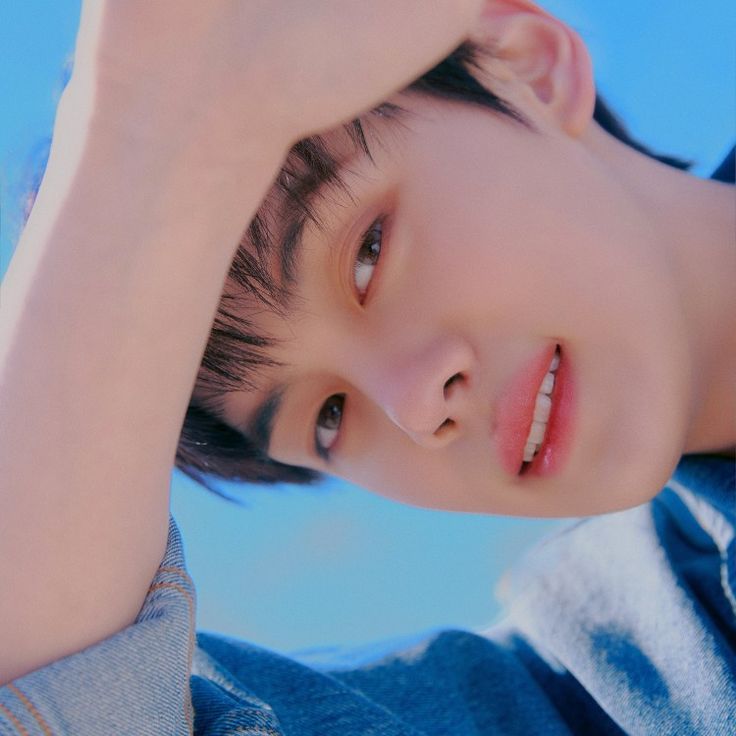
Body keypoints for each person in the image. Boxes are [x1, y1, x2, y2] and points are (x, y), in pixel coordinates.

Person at [0, 1, 733, 733]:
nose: (417, 408)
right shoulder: (594, 692)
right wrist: (136, 123)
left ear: (527, 69)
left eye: (368, 252)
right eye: (328, 417)